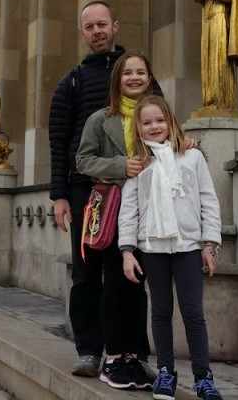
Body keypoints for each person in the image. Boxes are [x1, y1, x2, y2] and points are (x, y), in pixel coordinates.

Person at [47, 0, 160, 379]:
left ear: (116, 26)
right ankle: (90, 350)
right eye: (89, 26)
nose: (96, 31)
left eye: (102, 25)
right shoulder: (72, 81)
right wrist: (59, 195)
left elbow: (161, 121)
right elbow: (60, 140)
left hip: (135, 189)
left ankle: (133, 351)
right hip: (87, 191)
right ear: (82, 32)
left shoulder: (139, 73)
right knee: (86, 273)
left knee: (130, 272)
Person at [118, 95, 223, 400]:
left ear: (171, 122)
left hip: (188, 247)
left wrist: (209, 244)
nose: (154, 127)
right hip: (152, 249)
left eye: (160, 120)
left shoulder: (192, 158)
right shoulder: (138, 165)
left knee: (193, 311)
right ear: (138, 128)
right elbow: (129, 210)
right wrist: (127, 250)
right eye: (147, 122)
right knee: (161, 310)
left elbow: (208, 201)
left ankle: (203, 377)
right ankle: (166, 371)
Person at [75, 50, 157, 390]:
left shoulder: (157, 116)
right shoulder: (100, 118)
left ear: (149, 79)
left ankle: (137, 357)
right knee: (115, 284)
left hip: (150, 211)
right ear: (117, 80)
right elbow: (83, 161)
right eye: (127, 73)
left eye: (140, 72)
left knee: (139, 286)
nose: (134, 77)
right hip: (113, 210)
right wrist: (120, 166)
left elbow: (176, 148)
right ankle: (113, 356)